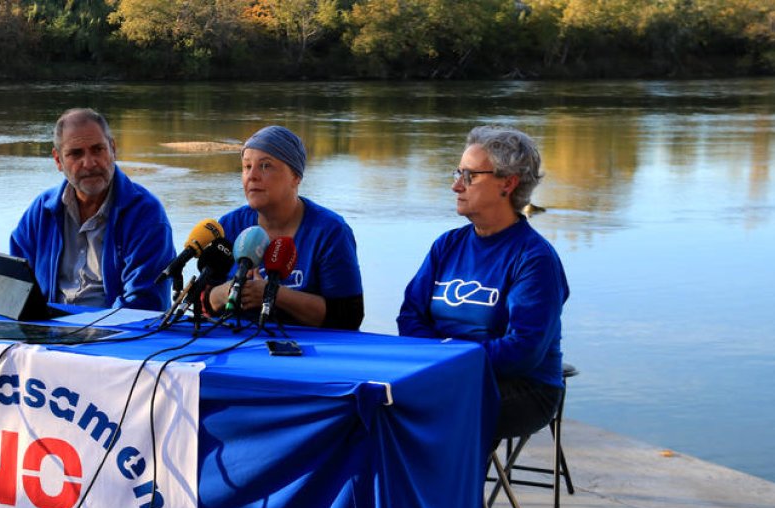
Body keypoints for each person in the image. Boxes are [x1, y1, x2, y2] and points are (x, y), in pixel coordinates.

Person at [398, 125, 569, 440]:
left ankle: (450, 490)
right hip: (445, 373)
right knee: (372, 404)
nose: (455, 186)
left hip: (524, 388)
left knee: (432, 412)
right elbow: (410, 315)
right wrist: (442, 360)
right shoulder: (446, 245)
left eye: (469, 177)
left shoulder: (534, 258)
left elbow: (523, 351)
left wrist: (453, 360)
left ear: (508, 183)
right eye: (457, 174)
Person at [9, 108, 175, 310]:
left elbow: (145, 303)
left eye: (98, 149)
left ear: (113, 149)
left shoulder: (145, 215)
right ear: (58, 160)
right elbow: (14, 286)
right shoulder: (41, 212)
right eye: (75, 154)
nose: (89, 163)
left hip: (116, 336)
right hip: (48, 333)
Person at [205, 126, 364, 330]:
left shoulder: (330, 232)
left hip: (309, 353)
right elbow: (200, 301)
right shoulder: (230, 225)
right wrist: (223, 293)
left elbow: (349, 317)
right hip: (235, 348)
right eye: (246, 167)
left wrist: (272, 293)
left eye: (265, 166)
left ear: (295, 176)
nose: (252, 176)